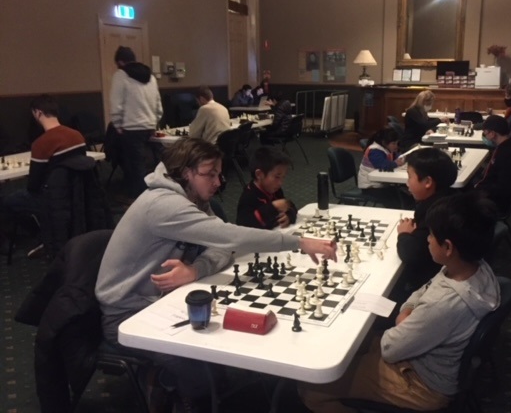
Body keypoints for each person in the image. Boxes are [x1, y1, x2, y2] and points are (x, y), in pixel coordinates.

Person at [95, 137, 335, 412]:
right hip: (127, 314)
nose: (218, 182)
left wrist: (196, 269)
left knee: (220, 350)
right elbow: (231, 237)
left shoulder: (193, 197)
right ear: (186, 173)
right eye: (210, 174)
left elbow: (223, 246)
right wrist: (299, 242)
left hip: (161, 299)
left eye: (219, 174)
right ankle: (163, 386)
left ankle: (173, 382)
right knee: (202, 372)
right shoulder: (164, 205)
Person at [298, 191, 501, 413]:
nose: (427, 239)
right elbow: (423, 290)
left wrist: (404, 319)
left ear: (448, 247)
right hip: (425, 354)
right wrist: (407, 312)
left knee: (312, 389)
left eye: (431, 235)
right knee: (347, 344)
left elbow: (390, 349)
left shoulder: (443, 304)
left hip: (422, 383)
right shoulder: (473, 267)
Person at [0, 95, 87, 257]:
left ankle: (36, 235)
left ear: (38, 113)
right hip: (77, 193)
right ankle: (44, 232)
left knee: (7, 201)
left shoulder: (41, 144)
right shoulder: (78, 136)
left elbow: (33, 185)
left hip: (51, 198)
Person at [396, 148, 458, 295]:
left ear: (428, 182)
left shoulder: (435, 213)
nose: (407, 183)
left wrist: (404, 234)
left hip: (431, 283)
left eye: (409, 176)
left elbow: (412, 254)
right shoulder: (449, 197)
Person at [109, 46, 163, 202]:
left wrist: (117, 124)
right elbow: (158, 104)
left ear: (120, 62)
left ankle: (139, 199)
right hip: (149, 126)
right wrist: (155, 121)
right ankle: (150, 194)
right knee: (149, 162)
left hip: (131, 128)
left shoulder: (121, 75)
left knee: (134, 166)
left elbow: (116, 103)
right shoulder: (150, 76)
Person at [474, 115, 511, 215]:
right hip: (495, 192)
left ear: (492, 134)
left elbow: (503, 186)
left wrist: (478, 187)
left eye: (485, 133)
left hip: (495, 201)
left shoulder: (506, 153)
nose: (484, 136)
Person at [236, 147, 297, 229]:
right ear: (259, 174)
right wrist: (273, 207)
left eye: (283, 177)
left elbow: (290, 206)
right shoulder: (248, 197)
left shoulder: (275, 190)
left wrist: (289, 216)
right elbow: (245, 226)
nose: (280, 183)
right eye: (277, 177)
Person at [357, 127, 405, 208]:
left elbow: (395, 156)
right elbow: (383, 165)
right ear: (384, 143)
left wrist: (399, 159)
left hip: (380, 183)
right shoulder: (374, 151)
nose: (396, 146)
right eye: (393, 143)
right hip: (370, 186)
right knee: (395, 201)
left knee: (403, 195)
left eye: (397, 143)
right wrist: (396, 163)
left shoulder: (387, 148)